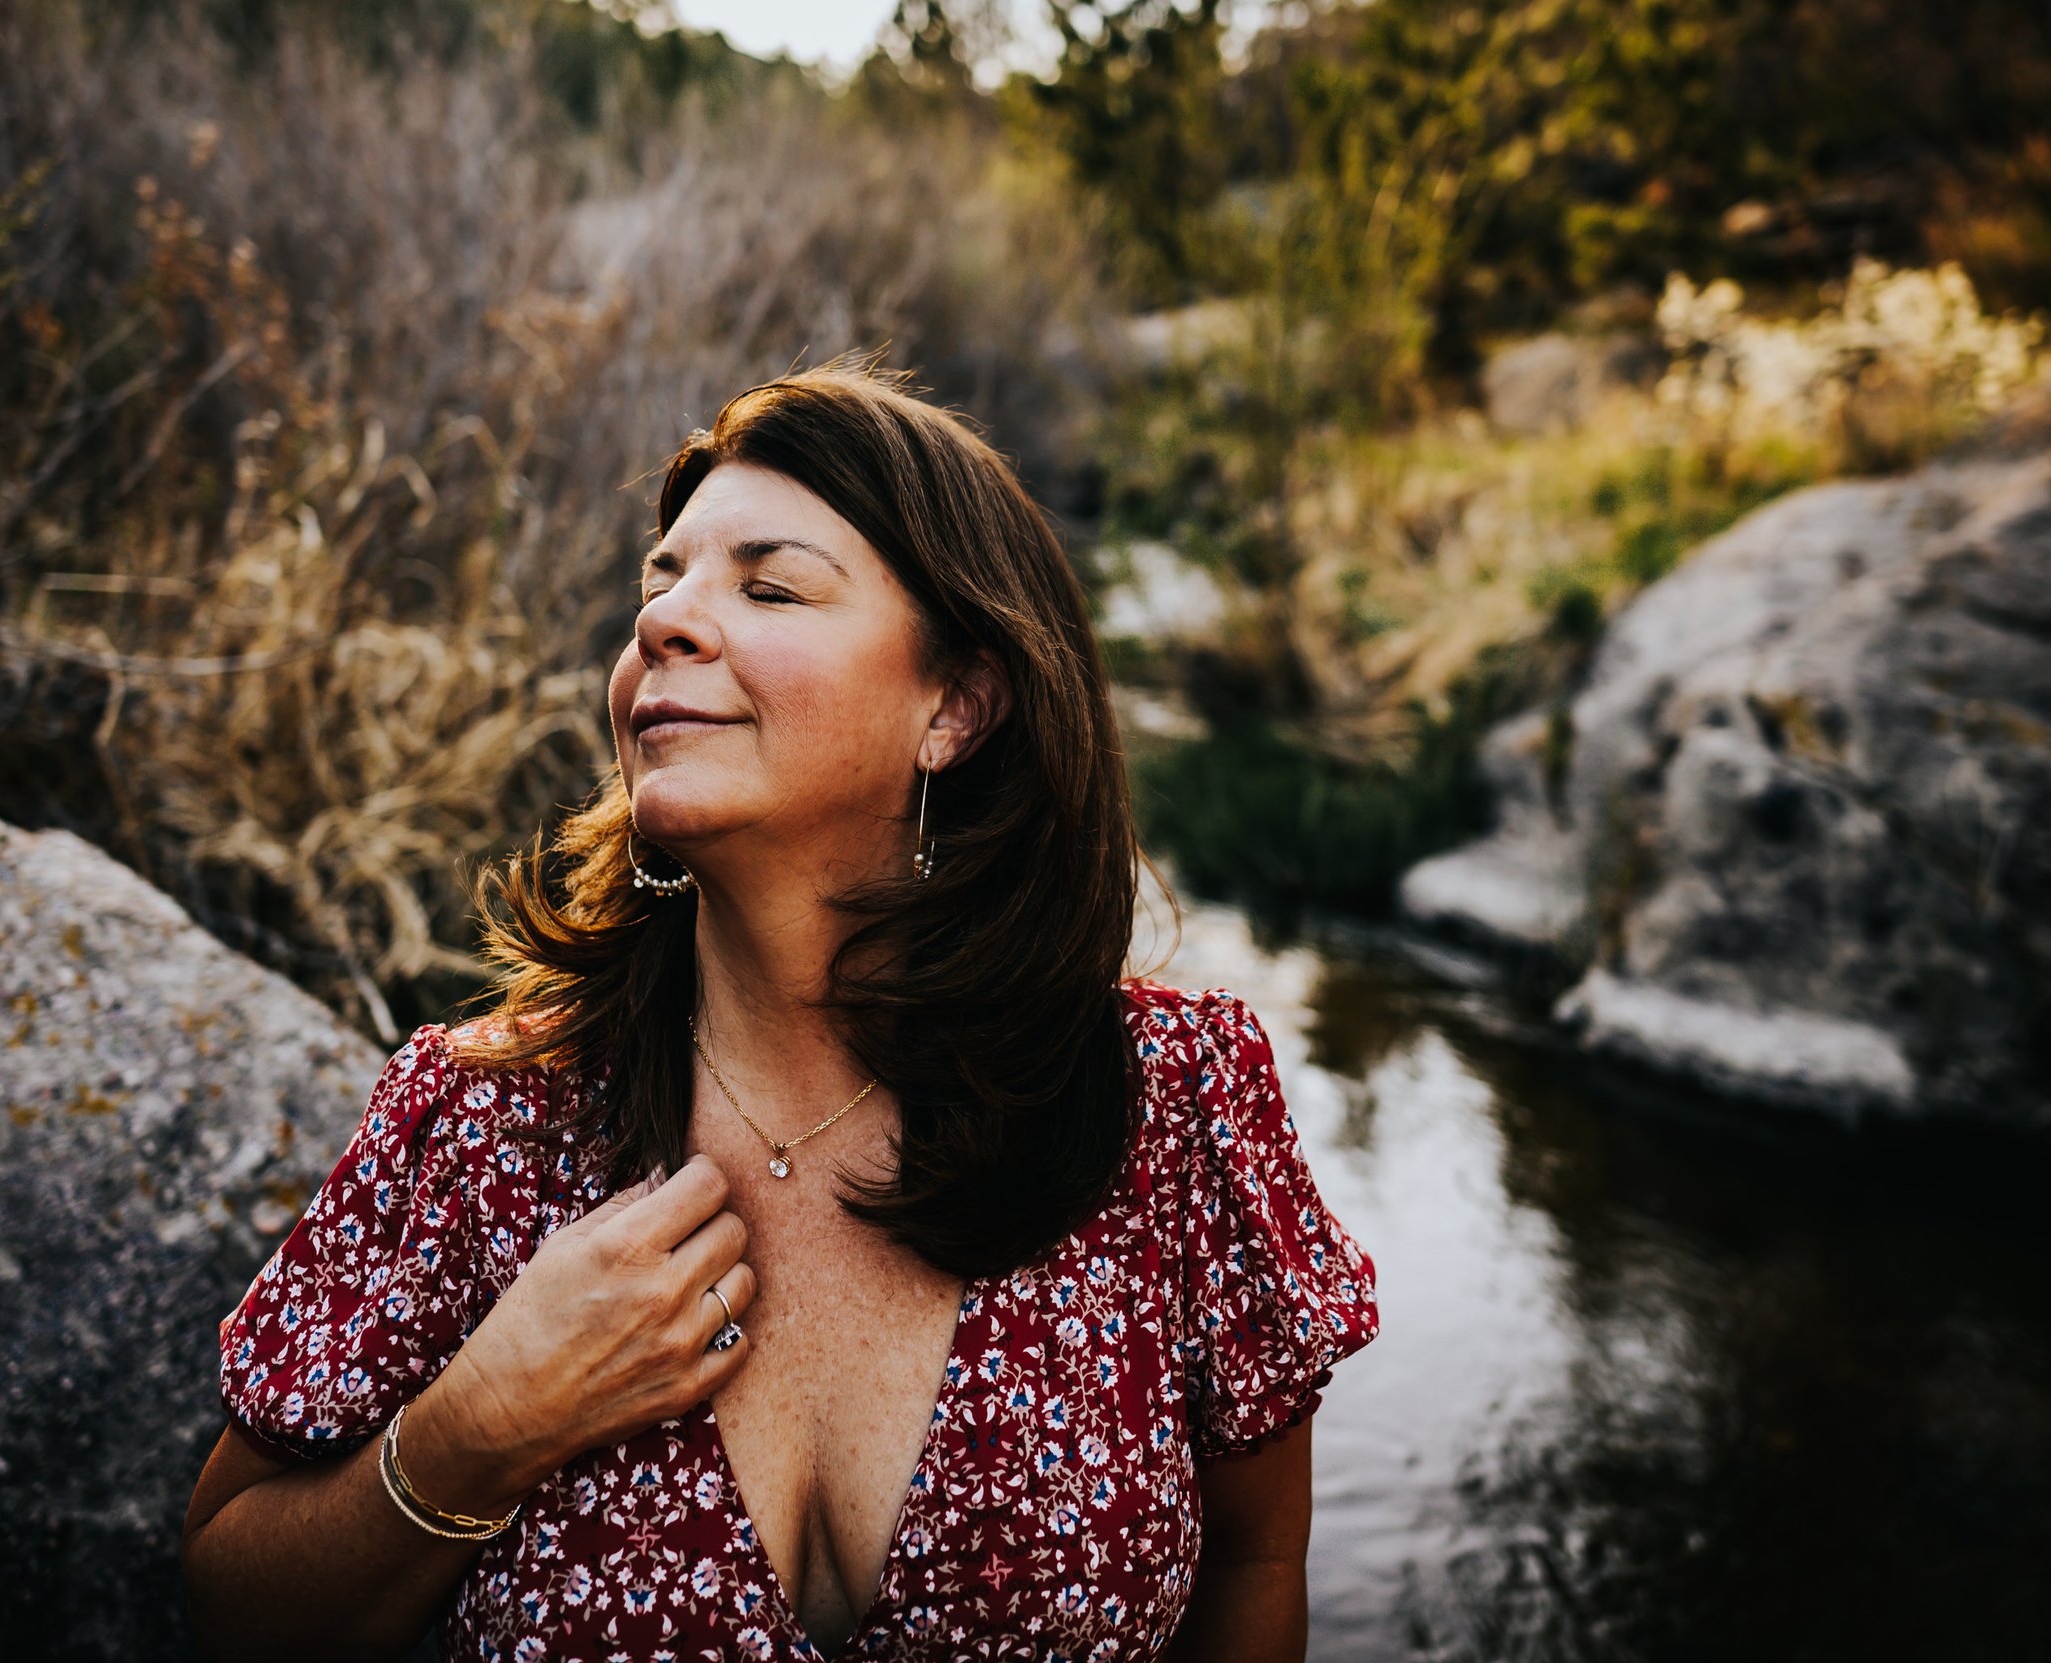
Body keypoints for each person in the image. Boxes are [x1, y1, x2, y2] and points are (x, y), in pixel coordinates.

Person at [180, 364, 1382, 1662]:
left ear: (956, 706)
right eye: (662, 580)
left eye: (768, 585)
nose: (667, 624)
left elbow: (1257, 1560)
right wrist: (485, 1423)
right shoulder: (487, 1115)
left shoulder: (1171, 1100)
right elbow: (234, 1608)